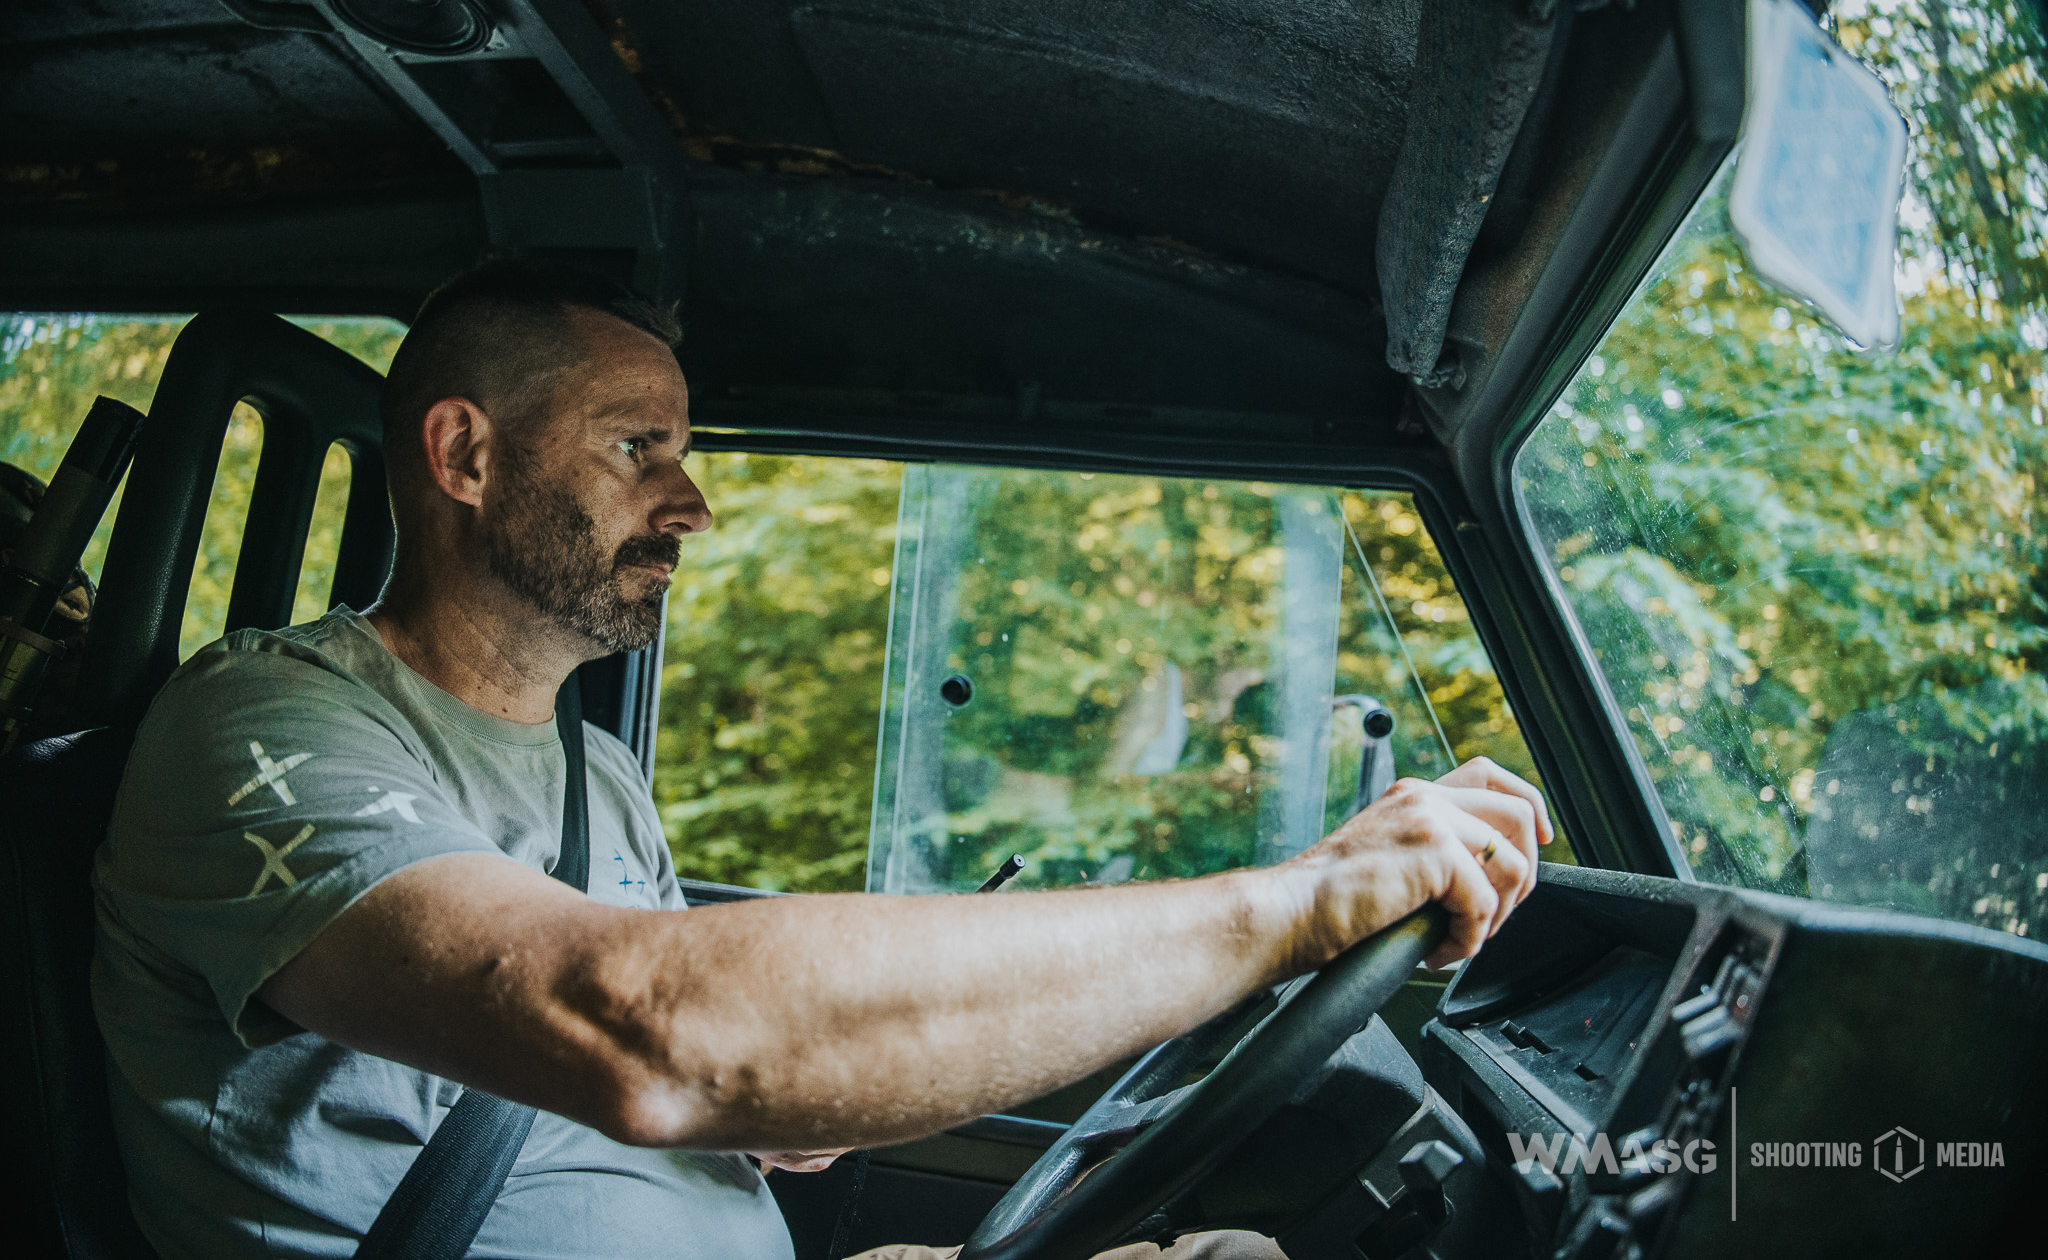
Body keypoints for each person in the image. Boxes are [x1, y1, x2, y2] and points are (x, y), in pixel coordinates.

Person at [92, 261, 1551, 1260]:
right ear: (465, 455)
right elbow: (652, 1033)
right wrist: (1282, 909)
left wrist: (801, 1103)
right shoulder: (258, 731)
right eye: (637, 448)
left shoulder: (596, 779)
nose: (693, 503)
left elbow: (730, 1066)